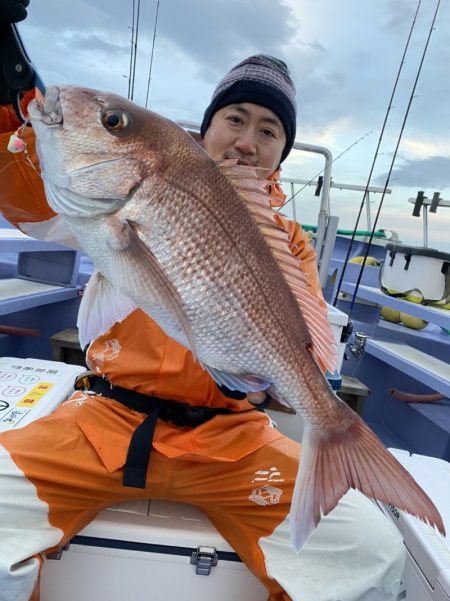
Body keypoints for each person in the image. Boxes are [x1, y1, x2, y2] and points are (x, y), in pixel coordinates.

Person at [0, 4, 406, 601]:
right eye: (235, 119)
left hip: (231, 441)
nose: (246, 141)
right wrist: (8, 101)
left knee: (368, 552)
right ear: (206, 127)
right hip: (103, 423)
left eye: (268, 130)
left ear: (281, 153)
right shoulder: (111, 194)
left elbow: (309, 342)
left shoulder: (288, 241)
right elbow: (30, 202)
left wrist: (284, 383)